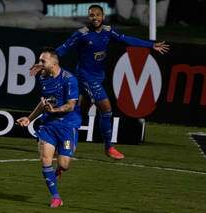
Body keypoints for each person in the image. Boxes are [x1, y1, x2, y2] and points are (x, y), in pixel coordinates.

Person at [31, 4, 169, 160]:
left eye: (98, 15)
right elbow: (62, 49)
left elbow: (126, 39)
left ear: (103, 16)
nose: (95, 18)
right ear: (88, 17)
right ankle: (109, 147)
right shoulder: (81, 34)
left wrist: (151, 45)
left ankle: (55, 138)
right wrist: (45, 62)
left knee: (78, 112)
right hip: (85, 76)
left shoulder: (108, 31)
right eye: (91, 15)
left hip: (98, 77)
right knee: (106, 108)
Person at [17, 47, 81, 208]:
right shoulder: (43, 78)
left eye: (42, 61)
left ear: (54, 63)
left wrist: (55, 110)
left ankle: (59, 170)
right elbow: (44, 101)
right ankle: (56, 197)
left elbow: (71, 105)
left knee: (64, 164)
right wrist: (29, 118)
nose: (39, 64)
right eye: (39, 60)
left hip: (68, 125)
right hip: (48, 125)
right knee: (45, 159)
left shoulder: (69, 79)